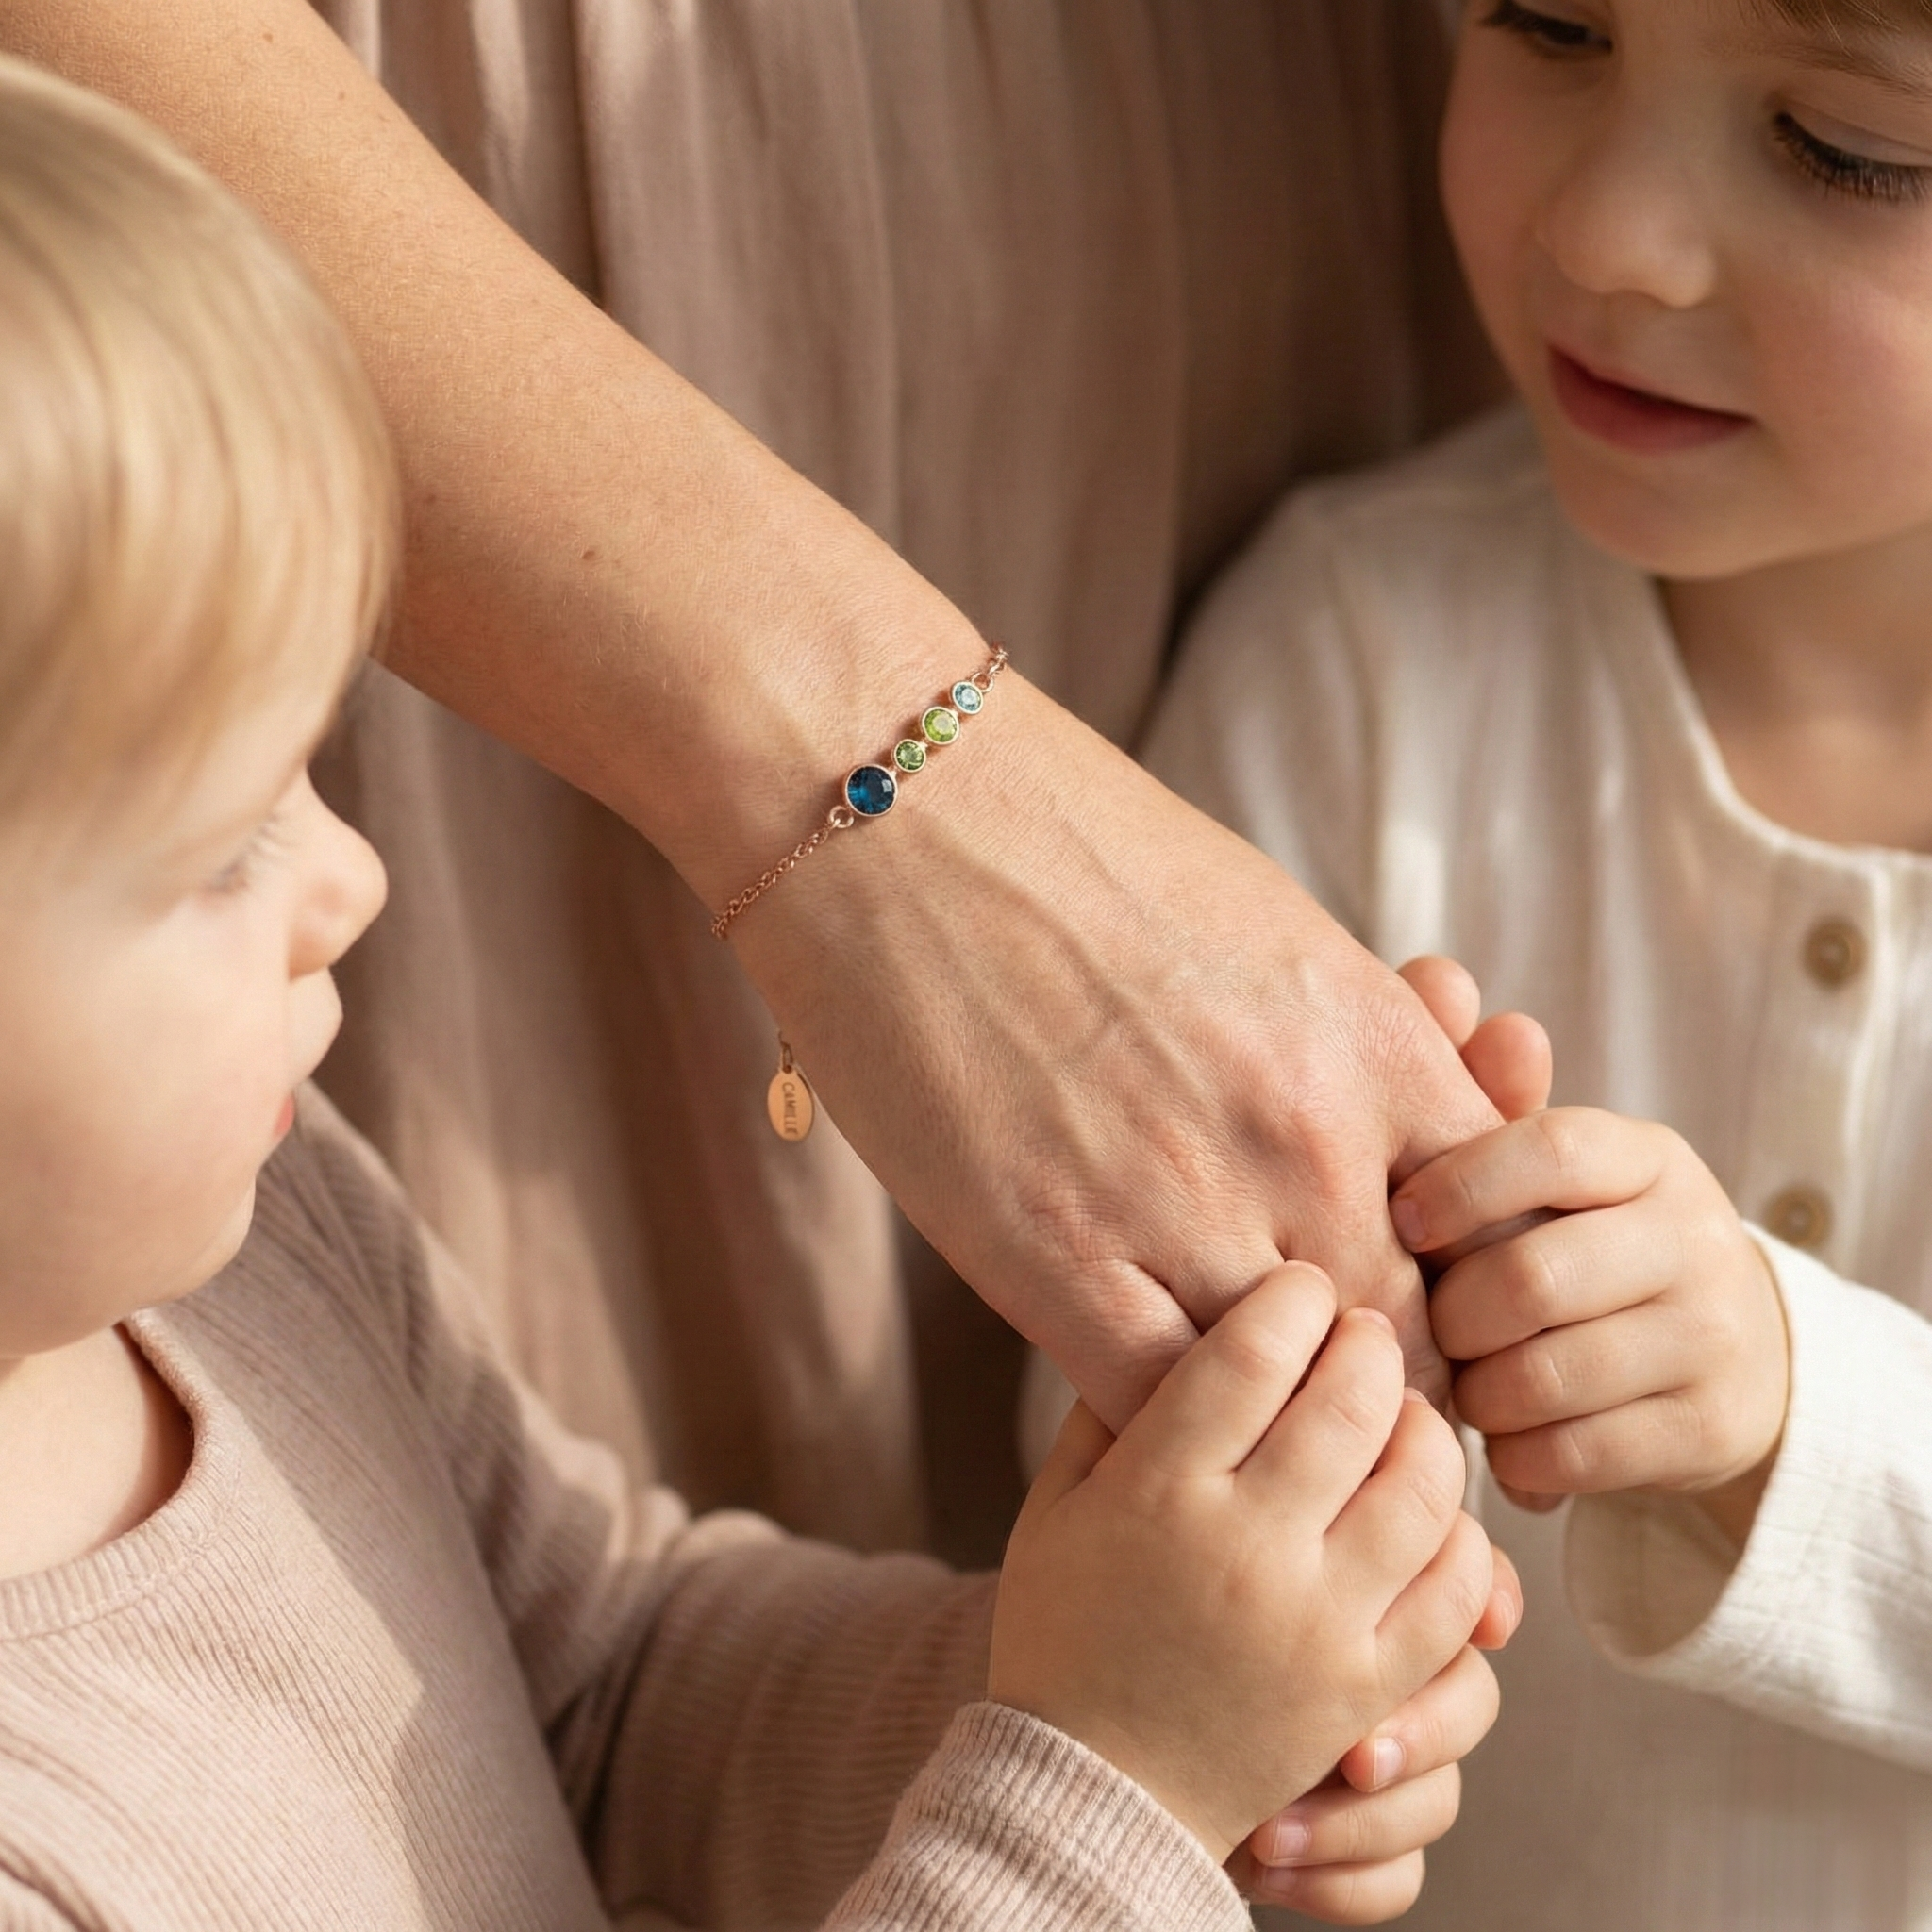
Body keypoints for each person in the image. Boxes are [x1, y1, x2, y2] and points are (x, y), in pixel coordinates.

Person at [0, 58, 1511, 1930]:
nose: (354, 877)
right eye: (224, 839)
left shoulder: (254, 1246)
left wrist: (1122, 1679)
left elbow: (609, 1702)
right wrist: (1097, 1795)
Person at [1143, 1, 1932, 1925]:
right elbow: (1114, 1467)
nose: (1609, 238)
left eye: (1844, 148)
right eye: (1550, 21)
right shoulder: (1357, 665)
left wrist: (1790, 1399)